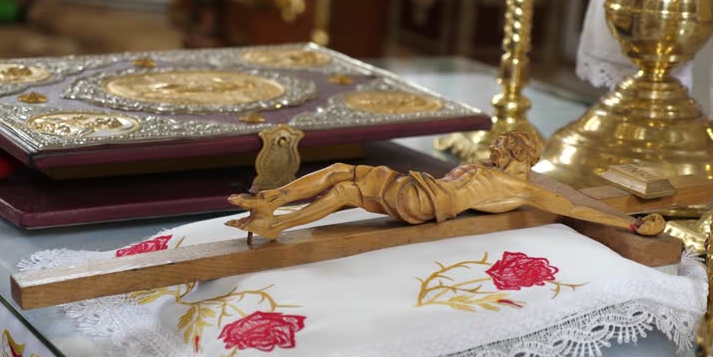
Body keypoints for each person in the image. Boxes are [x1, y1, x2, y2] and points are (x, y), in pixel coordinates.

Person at [226, 131, 665, 240]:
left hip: (424, 202)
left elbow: (580, 208)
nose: (492, 151)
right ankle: (271, 213)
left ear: (517, 151)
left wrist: (630, 224)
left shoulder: (528, 191)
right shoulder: (487, 168)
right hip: (421, 190)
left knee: (345, 176)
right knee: (342, 184)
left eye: (500, 146)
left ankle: (271, 210)